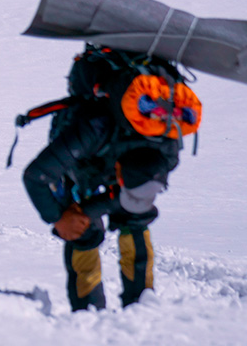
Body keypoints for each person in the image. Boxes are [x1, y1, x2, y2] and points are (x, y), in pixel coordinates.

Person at [21, 44, 183, 311]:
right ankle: (87, 312)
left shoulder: (167, 149)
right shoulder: (91, 130)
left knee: (135, 217)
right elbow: (35, 176)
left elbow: (125, 197)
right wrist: (59, 218)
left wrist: (110, 202)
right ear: (118, 174)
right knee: (81, 228)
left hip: (117, 160)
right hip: (84, 165)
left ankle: (142, 305)